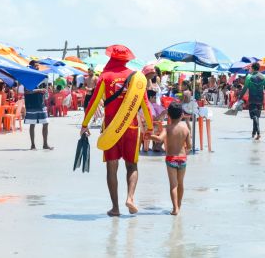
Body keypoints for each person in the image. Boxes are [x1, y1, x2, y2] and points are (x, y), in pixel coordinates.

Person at [80, 45, 153, 216]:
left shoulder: (105, 77)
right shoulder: (137, 77)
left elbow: (93, 102)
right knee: (132, 165)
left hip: (111, 128)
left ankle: (116, 208)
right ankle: (130, 198)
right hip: (132, 127)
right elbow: (145, 105)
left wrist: (85, 124)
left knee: (112, 168)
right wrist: (149, 127)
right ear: (127, 59)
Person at [150, 102, 191, 215]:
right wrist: (184, 153)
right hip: (182, 158)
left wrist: (149, 135)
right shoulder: (185, 129)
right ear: (182, 115)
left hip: (171, 159)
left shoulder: (167, 128)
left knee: (173, 185)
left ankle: (175, 208)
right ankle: (179, 205)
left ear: (168, 115)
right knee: (181, 183)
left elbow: (159, 139)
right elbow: (190, 146)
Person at [24, 60, 53, 150]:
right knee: (32, 124)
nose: (38, 67)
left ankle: (45, 144)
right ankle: (33, 145)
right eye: (36, 66)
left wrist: (45, 92)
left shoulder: (41, 77)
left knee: (46, 123)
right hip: (31, 104)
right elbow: (26, 91)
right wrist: (39, 90)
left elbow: (44, 89)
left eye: (38, 66)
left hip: (41, 103)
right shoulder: (28, 77)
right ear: (31, 66)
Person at [238, 62, 265, 140]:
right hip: (260, 99)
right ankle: (253, 133)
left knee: (254, 116)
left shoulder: (249, 77)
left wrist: (240, 97)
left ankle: (258, 133)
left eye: (250, 68)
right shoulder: (264, 77)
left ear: (252, 68)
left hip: (252, 99)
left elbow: (245, 88)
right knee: (257, 116)